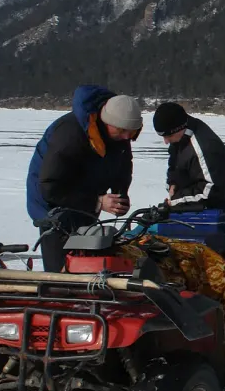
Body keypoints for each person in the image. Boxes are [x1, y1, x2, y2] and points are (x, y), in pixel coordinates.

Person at [26, 85, 143, 271]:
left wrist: (120, 194)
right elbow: (50, 187)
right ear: (106, 121)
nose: (127, 137)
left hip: (86, 198)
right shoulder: (70, 134)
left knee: (89, 257)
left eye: (132, 131)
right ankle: (59, 292)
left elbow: (122, 165)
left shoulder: (119, 135)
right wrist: (97, 202)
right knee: (63, 266)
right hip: (52, 206)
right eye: (122, 131)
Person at [152, 102, 225, 218]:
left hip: (214, 217)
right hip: (189, 211)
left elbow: (213, 191)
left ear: (180, 128)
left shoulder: (206, 146)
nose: (166, 142)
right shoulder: (181, 137)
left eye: (168, 136)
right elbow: (175, 165)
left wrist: (175, 201)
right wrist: (173, 182)